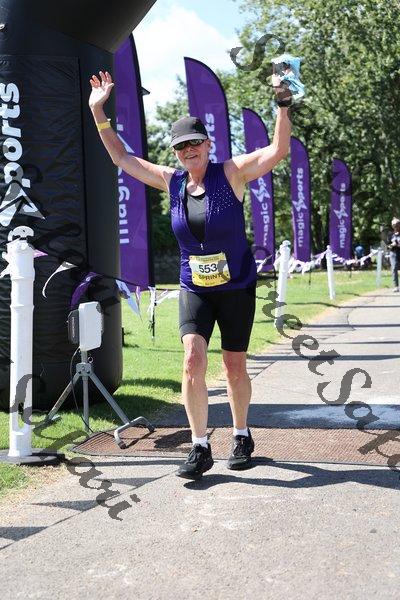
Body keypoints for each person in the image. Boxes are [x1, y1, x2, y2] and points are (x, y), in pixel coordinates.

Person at [89, 70, 291, 480]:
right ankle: (200, 446)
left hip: (236, 286)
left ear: (208, 144)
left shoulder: (231, 173)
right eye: (181, 146)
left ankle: (241, 434)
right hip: (194, 286)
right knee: (192, 359)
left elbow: (277, 149)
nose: (188, 151)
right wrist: (98, 112)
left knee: (234, 366)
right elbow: (122, 158)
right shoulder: (173, 181)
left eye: (195, 143)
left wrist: (283, 105)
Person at [387, 218, 400, 292]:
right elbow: (387, 246)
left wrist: (398, 244)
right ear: (392, 226)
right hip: (393, 253)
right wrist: (392, 245)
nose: (396, 227)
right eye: (394, 225)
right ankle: (396, 286)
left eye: (397, 225)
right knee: (394, 268)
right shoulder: (390, 234)